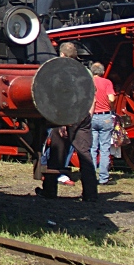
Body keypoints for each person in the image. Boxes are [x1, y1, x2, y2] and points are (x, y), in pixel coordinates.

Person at [39, 42, 98, 202]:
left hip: (67, 115)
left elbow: (62, 96)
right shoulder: (85, 71)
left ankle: (50, 190)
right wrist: (89, 115)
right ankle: (90, 194)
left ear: (62, 55)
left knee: (56, 154)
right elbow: (92, 94)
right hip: (84, 115)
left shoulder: (62, 71)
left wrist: (64, 121)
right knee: (85, 155)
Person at [90, 62, 116, 185]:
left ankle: (91, 176)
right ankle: (103, 178)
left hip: (92, 116)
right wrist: (111, 108)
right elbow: (112, 98)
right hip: (105, 116)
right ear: (102, 71)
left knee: (92, 148)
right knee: (105, 148)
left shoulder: (88, 82)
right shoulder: (107, 82)